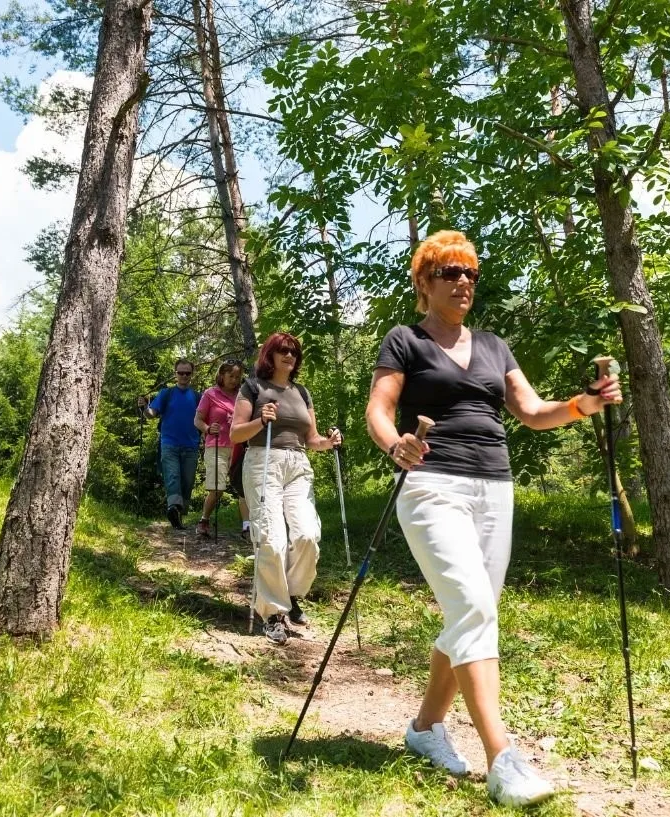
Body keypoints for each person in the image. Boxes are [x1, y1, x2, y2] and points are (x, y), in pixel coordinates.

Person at [365, 230, 621, 807]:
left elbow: (531, 412)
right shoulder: (405, 340)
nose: (463, 282)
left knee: (470, 610)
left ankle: (426, 727)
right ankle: (502, 758)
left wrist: (585, 404)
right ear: (424, 282)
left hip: (493, 489)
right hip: (432, 484)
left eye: (470, 274)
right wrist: (395, 444)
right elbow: (379, 411)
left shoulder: (495, 346)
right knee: (474, 607)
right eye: (450, 273)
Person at [230, 333, 342, 645]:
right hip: (263, 461)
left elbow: (313, 439)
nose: (289, 356)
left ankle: (291, 596)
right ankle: (272, 613)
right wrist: (260, 422)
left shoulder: (302, 392)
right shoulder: (253, 387)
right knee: (272, 539)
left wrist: (328, 442)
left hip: (298, 465)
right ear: (270, 355)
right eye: (282, 351)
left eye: (293, 352)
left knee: (307, 535)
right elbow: (236, 434)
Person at [193, 359, 251, 538]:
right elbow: (198, 420)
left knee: (244, 488)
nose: (234, 380)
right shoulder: (210, 394)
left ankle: (247, 527)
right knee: (217, 487)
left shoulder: (242, 395)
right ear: (221, 375)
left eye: (237, 376)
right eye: (231, 376)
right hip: (216, 445)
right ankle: (204, 520)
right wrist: (208, 429)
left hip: (239, 447)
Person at [147, 358, 202, 530]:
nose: (184, 376)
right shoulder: (166, 393)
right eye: (181, 373)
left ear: (192, 374)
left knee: (187, 480)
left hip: (191, 445)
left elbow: (204, 419)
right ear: (175, 374)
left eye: (187, 373)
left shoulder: (198, 396)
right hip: (169, 443)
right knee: (172, 476)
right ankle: (173, 508)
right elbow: (152, 413)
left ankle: (179, 512)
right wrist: (144, 408)